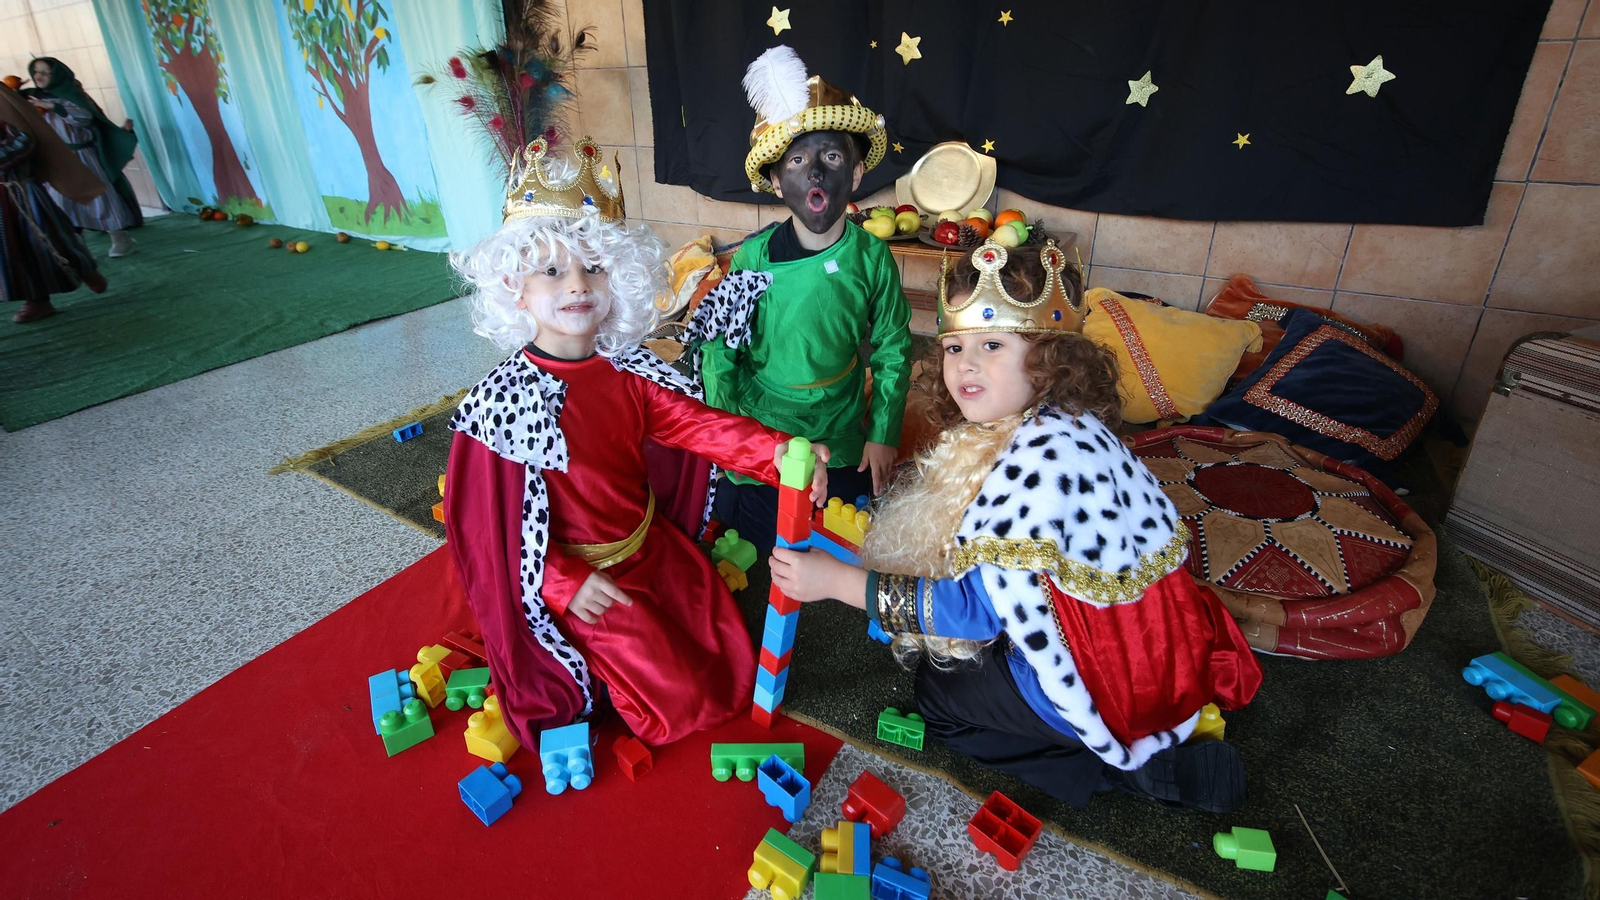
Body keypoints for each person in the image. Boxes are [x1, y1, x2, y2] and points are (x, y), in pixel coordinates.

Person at [771, 239, 1263, 812]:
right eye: (953, 347)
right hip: (1153, 651)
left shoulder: (1031, 471)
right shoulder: (1067, 427)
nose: (965, 365)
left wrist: (834, 583)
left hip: (1101, 685)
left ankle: (1123, 772)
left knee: (939, 695)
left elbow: (971, 615)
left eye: (993, 344)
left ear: (1052, 361)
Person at [444, 134, 830, 749]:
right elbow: (491, 528)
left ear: (615, 279)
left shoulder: (626, 369)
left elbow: (694, 424)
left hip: (650, 547)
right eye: (551, 270)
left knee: (726, 652)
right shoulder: (504, 404)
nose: (576, 285)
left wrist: (776, 452)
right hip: (581, 577)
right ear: (516, 288)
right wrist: (563, 583)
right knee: (681, 702)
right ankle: (585, 663)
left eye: (592, 267)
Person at [700, 45, 911, 554]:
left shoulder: (872, 257)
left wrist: (883, 432)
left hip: (839, 425)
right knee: (758, 528)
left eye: (831, 157)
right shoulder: (751, 258)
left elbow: (893, 347)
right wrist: (731, 443)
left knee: (843, 528)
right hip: (765, 425)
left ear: (856, 174)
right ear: (776, 182)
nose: (815, 172)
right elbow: (719, 353)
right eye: (797, 160)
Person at [0, 83, 105, 323]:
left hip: (21, 193)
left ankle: (84, 269)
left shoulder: (4, 107)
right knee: (14, 252)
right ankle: (37, 301)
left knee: (49, 239)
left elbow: (25, 141)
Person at [25, 57, 141, 258]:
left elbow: (84, 119)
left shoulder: (72, 96)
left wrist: (53, 106)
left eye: (45, 72)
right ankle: (75, 245)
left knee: (99, 197)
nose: (39, 76)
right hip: (56, 158)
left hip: (82, 156)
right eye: (36, 71)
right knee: (61, 200)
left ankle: (120, 238)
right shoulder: (31, 98)